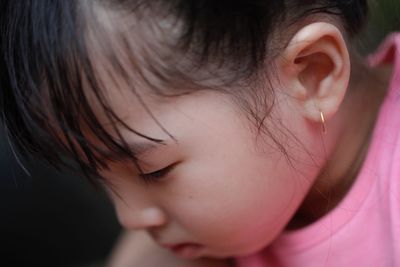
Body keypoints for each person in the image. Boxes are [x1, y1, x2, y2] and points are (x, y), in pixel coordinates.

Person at [0, 0, 398, 266]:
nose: (131, 218)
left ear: (313, 75)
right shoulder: (210, 225)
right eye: (97, 178)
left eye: (153, 172)